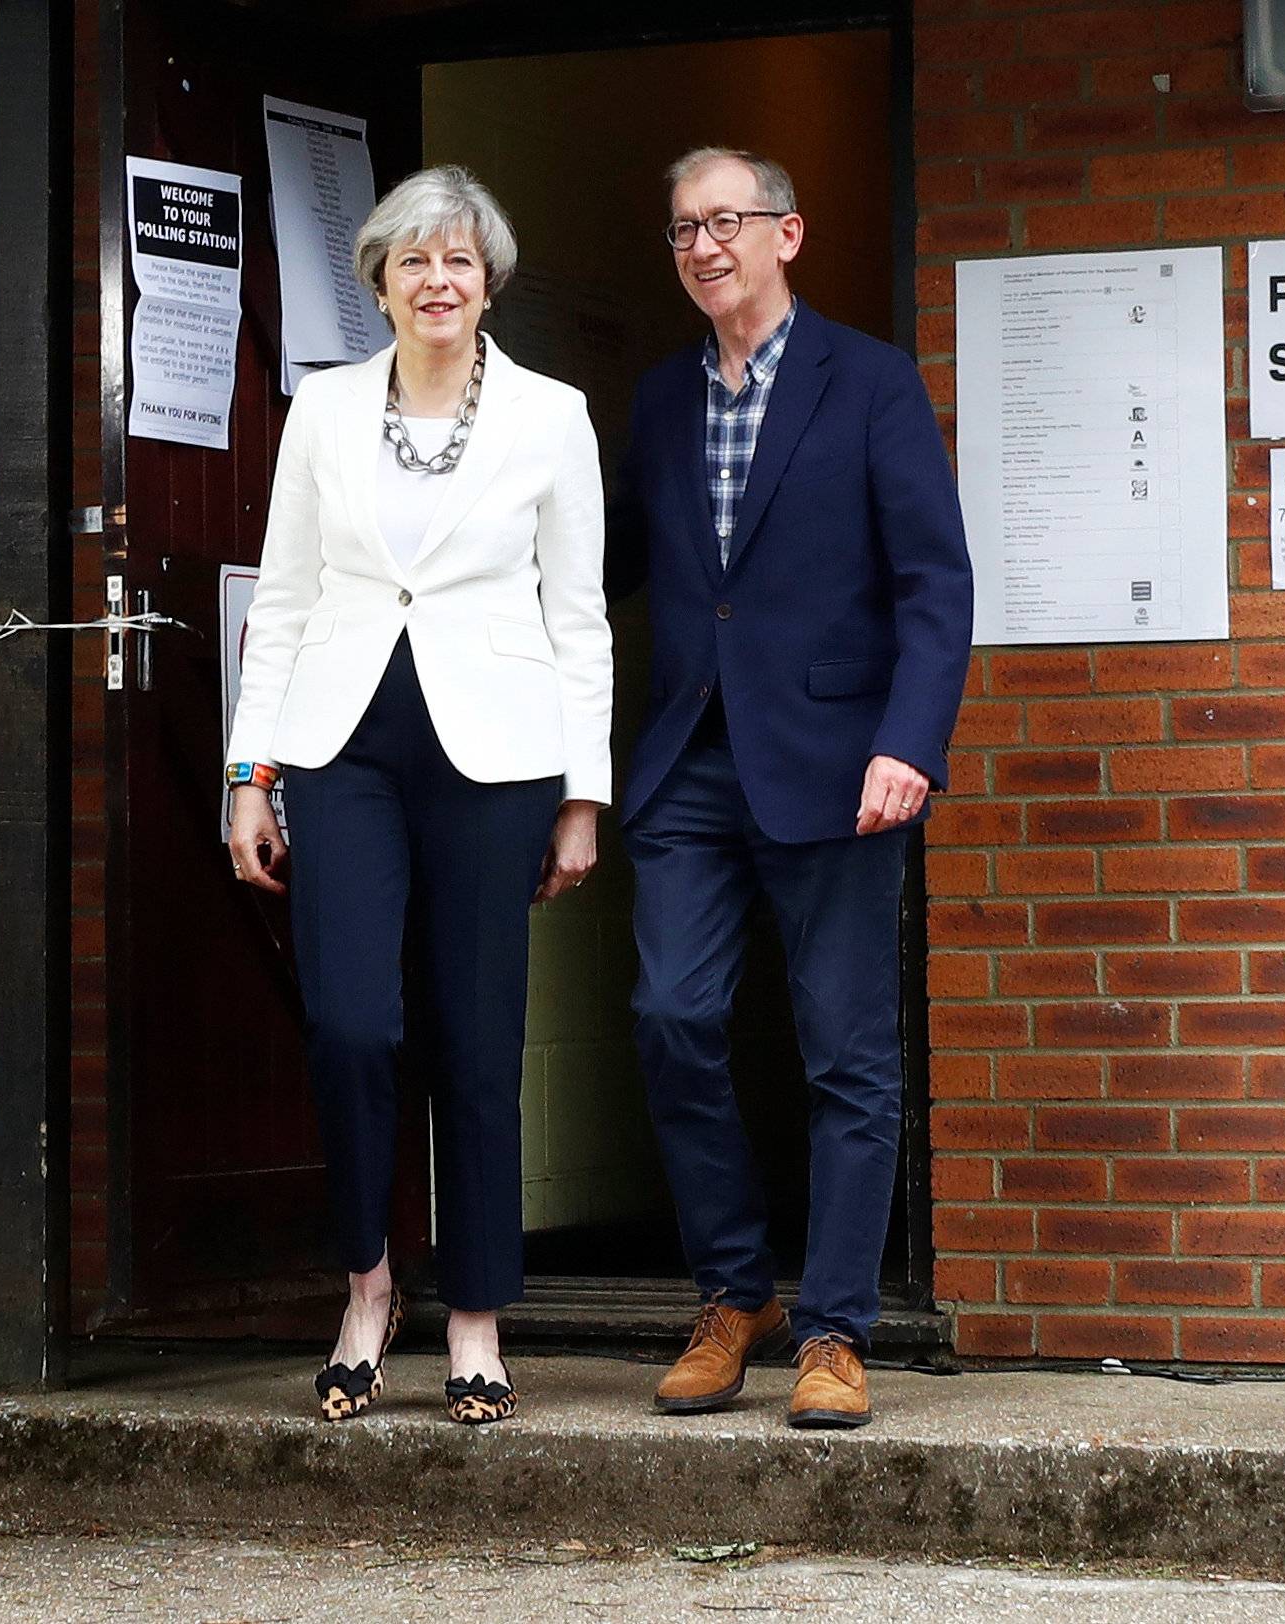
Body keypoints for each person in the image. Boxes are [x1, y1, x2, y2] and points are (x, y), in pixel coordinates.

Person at [225, 165, 611, 1426]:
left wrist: (583, 795)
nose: (436, 281)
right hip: (343, 747)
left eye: (459, 261)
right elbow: (282, 600)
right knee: (350, 1022)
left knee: (477, 1035)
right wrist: (249, 772)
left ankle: (477, 1321)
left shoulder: (553, 415)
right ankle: (368, 1287)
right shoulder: (325, 410)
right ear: (379, 283)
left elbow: (580, 616)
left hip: (497, 758)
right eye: (412, 262)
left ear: (487, 280)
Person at [611, 148, 972, 1429]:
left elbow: (936, 580)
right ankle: (734, 1294)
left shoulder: (869, 382)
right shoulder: (657, 400)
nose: (703, 245)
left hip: (838, 767)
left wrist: (910, 742)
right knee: (670, 1016)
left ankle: (833, 1331)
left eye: (726, 222)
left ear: (789, 232)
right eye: (681, 231)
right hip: (688, 761)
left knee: (847, 1059)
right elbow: (594, 569)